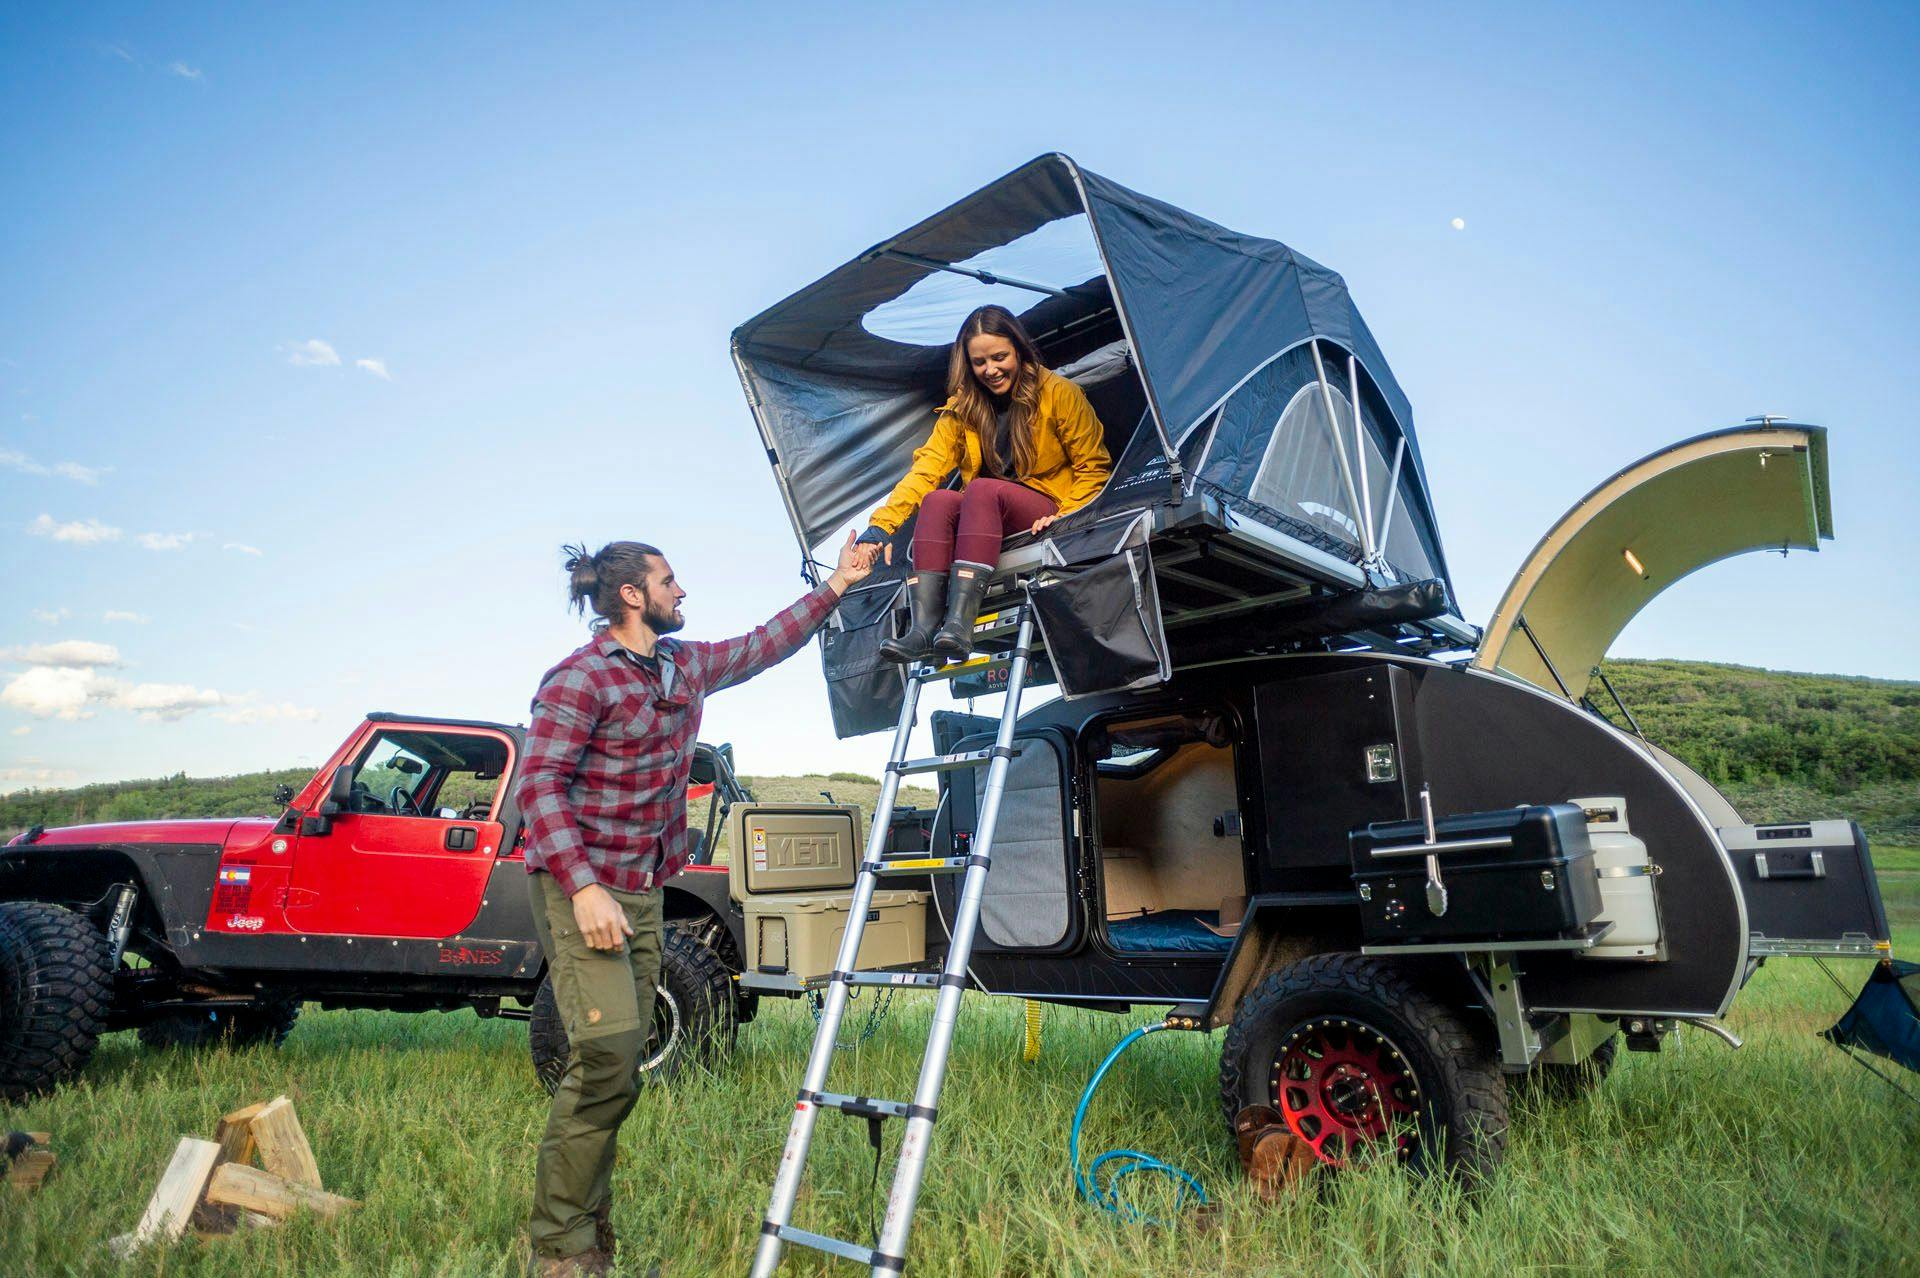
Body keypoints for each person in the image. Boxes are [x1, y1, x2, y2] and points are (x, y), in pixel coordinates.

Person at [516, 532, 873, 1278]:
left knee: (622, 1058)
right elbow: (540, 788)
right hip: (580, 883)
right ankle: (560, 1249)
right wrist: (583, 889)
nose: (683, 592)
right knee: (608, 1054)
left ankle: (589, 1237)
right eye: (670, 580)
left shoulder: (684, 664)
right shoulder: (579, 679)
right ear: (632, 595)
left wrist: (837, 583)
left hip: (641, 887)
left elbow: (763, 645)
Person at [856, 304, 1111, 663]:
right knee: (939, 500)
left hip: (1048, 506)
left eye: (999, 357)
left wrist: (1066, 515)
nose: (990, 370)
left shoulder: (1060, 394)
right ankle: (924, 630)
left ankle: (959, 626)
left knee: (980, 488)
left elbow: (1095, 467)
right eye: (979, 362)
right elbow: (926, 469)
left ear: (1019, 351)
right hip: (985, 514)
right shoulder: (961, 409)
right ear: (968, 364)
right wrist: (881, 528)